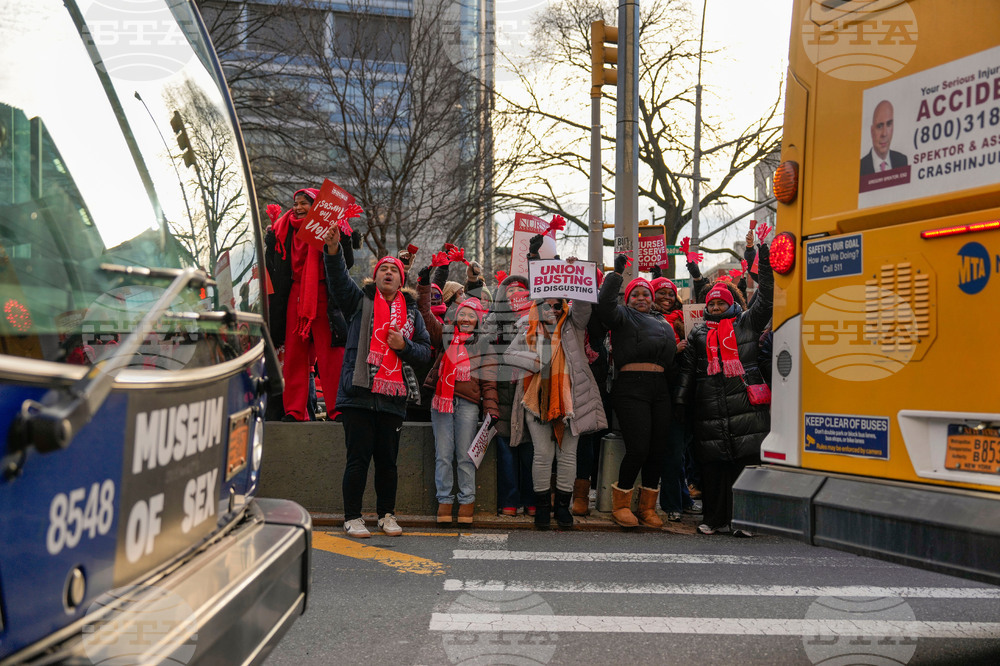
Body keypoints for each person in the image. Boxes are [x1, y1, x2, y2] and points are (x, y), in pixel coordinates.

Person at [323, 224, 432, 538]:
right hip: (358, 394)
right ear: (375, 276)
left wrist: (404, 346)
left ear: (401, 279)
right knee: (357, 460)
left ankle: (387, 515)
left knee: (388, 463)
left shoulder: (412, 314)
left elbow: (425, 353)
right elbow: (338, 280)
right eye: (382, 269)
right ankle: (353, 517)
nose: (388, 273)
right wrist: (333, 250)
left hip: (392, 399)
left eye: (393, 270)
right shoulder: (359, 302)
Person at [678, 243, 773, 537]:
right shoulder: (698, 333)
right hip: (710, 408)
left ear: (732, 304)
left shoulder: (747, 323)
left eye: (721, 303)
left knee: (745, 466)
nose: (716, 307)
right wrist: (681, 403)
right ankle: (714, 518)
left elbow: (767, 297)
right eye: (712, 304)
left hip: (745, 406)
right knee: (714, 468)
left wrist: (763, 262)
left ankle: (744, 521)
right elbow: (689, 372)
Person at [505, 282, 607, 530]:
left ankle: (562, 507)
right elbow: (508, 355)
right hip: (536, 399)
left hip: (572, 399)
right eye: (547, 305)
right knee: (542, 455)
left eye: (557, 304)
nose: (553, 309)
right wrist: (535, 361)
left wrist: (574, 282)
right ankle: (542, 508)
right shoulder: (527, 327)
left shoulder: (574, 324)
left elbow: (583, 306)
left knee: (568, 455)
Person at [597, 256, 677, 528]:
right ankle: (620, 505)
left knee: (657, 449)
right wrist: (616, 273)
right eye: (636, 294)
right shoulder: (621, 315)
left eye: (646, 294)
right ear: (627, 299)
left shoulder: (663, 321)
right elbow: (605, 305)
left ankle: (647, 508)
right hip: (631, 387)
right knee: (638, 448)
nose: (641, 297)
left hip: (660, 389)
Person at [418, 268, 499, 525]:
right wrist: (423, 286)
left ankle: (466, 503)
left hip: (467, 405)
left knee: (465, 456)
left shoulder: (483, 344)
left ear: (478, 320)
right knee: (443, 454)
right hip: (441, 402)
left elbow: (489, 382)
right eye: (462, 313)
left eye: (471, 315)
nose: (465, 318)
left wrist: (491, 409)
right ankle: (444, 501)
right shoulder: (445, 335)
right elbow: (425, 315)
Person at [264, 188, 354, 421]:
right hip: (295, 294)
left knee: (331, 355)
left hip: (324, 294)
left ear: (317, 208)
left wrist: (343, 237)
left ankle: (337, 409)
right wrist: (270, 243)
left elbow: (348, 263)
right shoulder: (282, 230)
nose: (298, 207)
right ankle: (294, 410)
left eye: (304, 203)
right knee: (294, 354)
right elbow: (273, 268)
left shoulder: (331, 228)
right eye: (296, 203)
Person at [483, 274, 536, 517]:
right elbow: (483, 337)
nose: (515, 295)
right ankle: (509, 501)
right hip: (503, 390)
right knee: (506, 452)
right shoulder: (497, 321)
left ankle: (532, 499)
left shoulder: (536, 319)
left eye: (521, 291)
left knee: (530, 451)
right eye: (510, 291)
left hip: (529, 390)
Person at [860, 100, 908, 175]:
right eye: (879, 126)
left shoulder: (902, 161)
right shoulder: (860, 168)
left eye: (889, 124)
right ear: (872, 131)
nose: (884, 133)